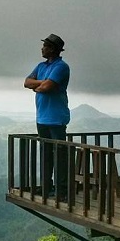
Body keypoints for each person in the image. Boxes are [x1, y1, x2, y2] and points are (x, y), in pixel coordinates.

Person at [24, 34, 70, 199]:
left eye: (45, 46)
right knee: (46, 155)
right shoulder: (41, 66)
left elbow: (46, 88)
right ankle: (46, 188)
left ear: (52, 49)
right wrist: (41, 83)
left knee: (59, 156)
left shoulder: (62, 67)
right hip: (42, 118)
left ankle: (61, 191)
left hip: (57, 118)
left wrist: (39, 85)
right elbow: (26, 82)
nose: (42, 48)